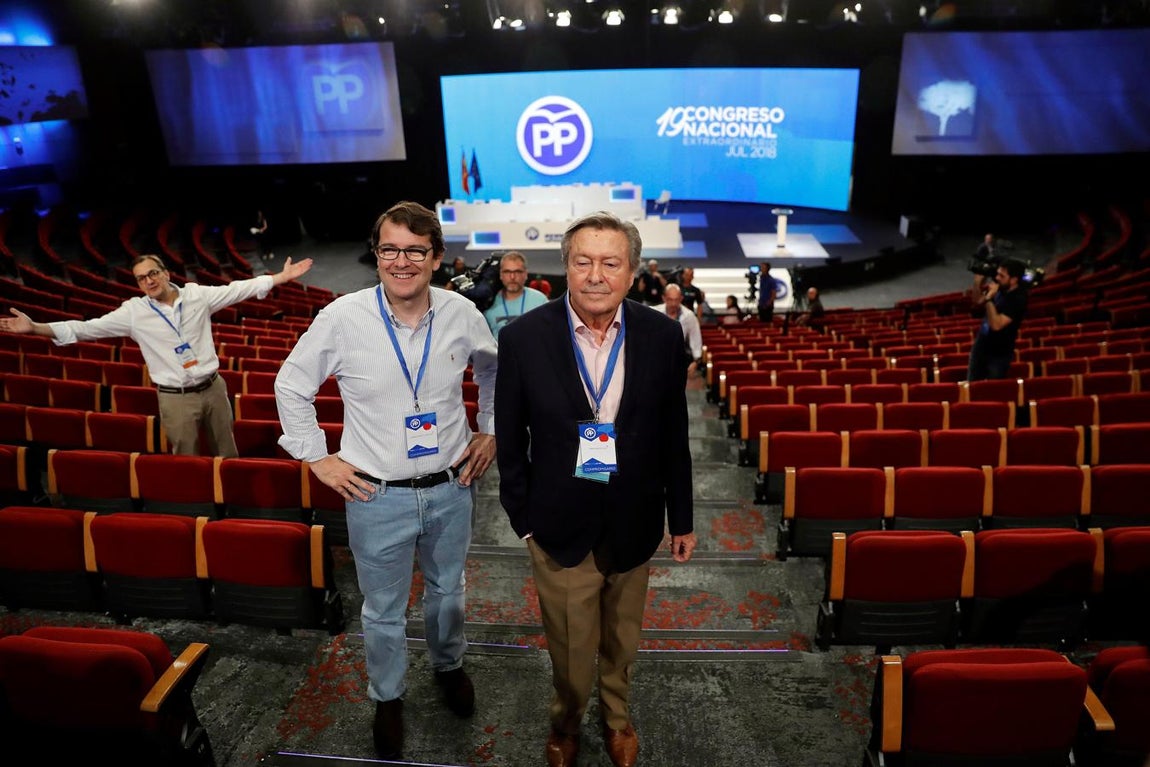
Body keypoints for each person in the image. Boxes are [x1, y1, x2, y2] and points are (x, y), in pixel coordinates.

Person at [273, 201, 497, 761]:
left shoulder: (462, 312)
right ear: (376, 255)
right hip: (374, 495)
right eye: (390, 249)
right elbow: (291, 386)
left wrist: (489, 429)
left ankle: (448, 666)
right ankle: (388, 696)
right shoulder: (342, 317)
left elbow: (495, 369)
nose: (402, 262)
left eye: (415, 251)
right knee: (382, 610)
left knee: (449, 592)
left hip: (451, 487)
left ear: (437, 257)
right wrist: (317, 457)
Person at [495, 211, 696, 767]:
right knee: (569, 646)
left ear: (632, 273)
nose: (596, 275)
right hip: (557, 525)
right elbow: (510, 439)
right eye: (582, 262)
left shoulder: (661, 335)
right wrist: (522, 516)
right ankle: (566, 722)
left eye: (610, 263)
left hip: (635, 521)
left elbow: (673, 433)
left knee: (622, 642)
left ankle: (617, 719)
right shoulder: (523, 339)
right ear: (565, 268)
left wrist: (681, 517)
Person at [0, 253, 312, 457]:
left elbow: (237, 288)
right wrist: (36, 328)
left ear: (165, 273)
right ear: (137, 283)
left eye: (153, 273)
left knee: (227, 452)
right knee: (186, 457)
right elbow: (86, 328)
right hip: (175, 398)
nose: (148, 281)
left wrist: (279, 278)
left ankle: (231, 504)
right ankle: (198, 511)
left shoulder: (197, 296)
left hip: (214, 389)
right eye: (141, 278)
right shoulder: (134, 313)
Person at [966, 257, 1028, 382]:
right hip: (981, 347)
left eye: (1002, 275)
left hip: (998, 354)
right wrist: (977, 283)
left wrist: (989, 298)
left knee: (991, 390)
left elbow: (996, 325)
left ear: (1014, 280)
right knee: (972, 385)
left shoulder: (1018, 299)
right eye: (998, 274)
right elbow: (977, 302)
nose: (997, 278)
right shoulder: (1000, 287)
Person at [482, 251, 550, 338]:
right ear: (501, 275)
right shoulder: (488, 303)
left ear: (525, 274)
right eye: (507, 272)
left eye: (517, 271)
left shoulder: (540, 301)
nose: (512, 277)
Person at [652, 283, 703, 373]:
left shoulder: (689, 316)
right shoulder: (654, 313)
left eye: (676, 300)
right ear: (664, 298)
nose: (673, 304)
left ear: (681, 299)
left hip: (680, 360)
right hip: (656, 358)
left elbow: (696, 340)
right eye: (670, 300)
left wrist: (696, 362)